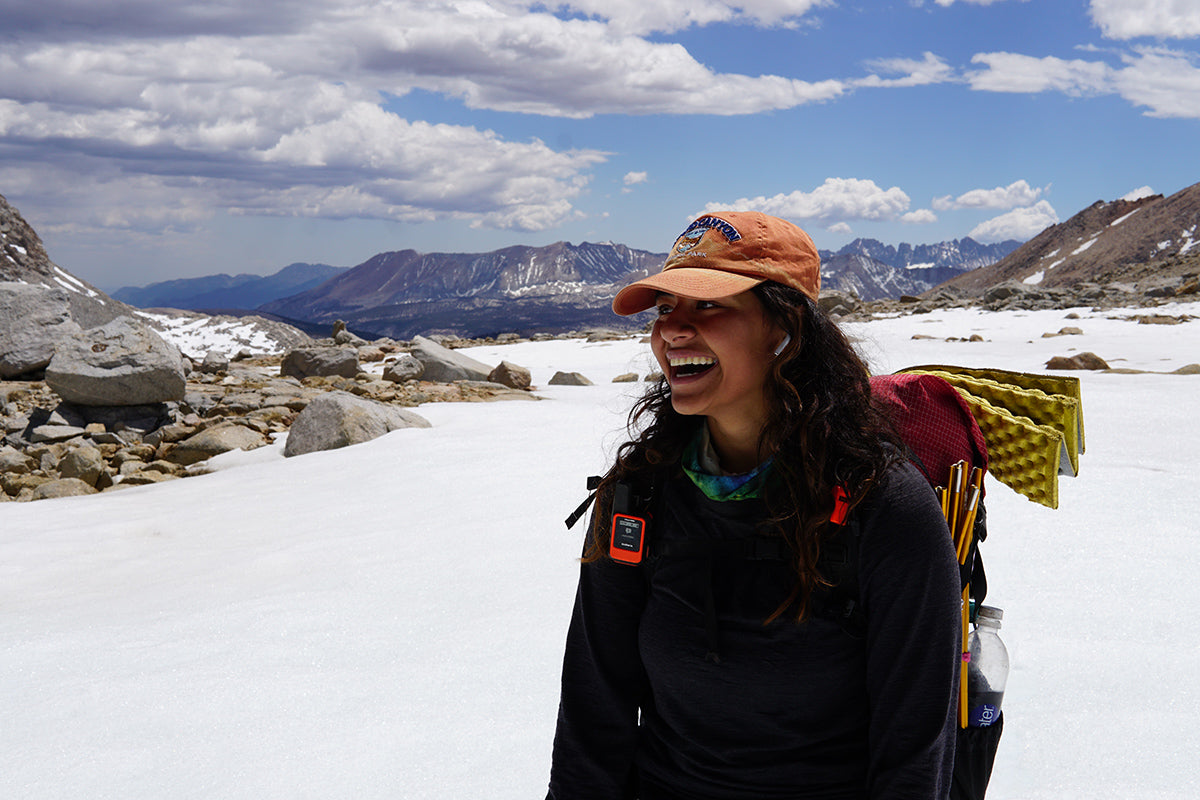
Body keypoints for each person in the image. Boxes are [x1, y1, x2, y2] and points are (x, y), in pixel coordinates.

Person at [546, 211, 962, 800]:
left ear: (786, 329)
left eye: (708, 306)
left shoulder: (882, 503)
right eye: (665, 308)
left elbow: (915, 750)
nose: (673, 331)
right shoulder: (639, 493)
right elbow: (595, 703)